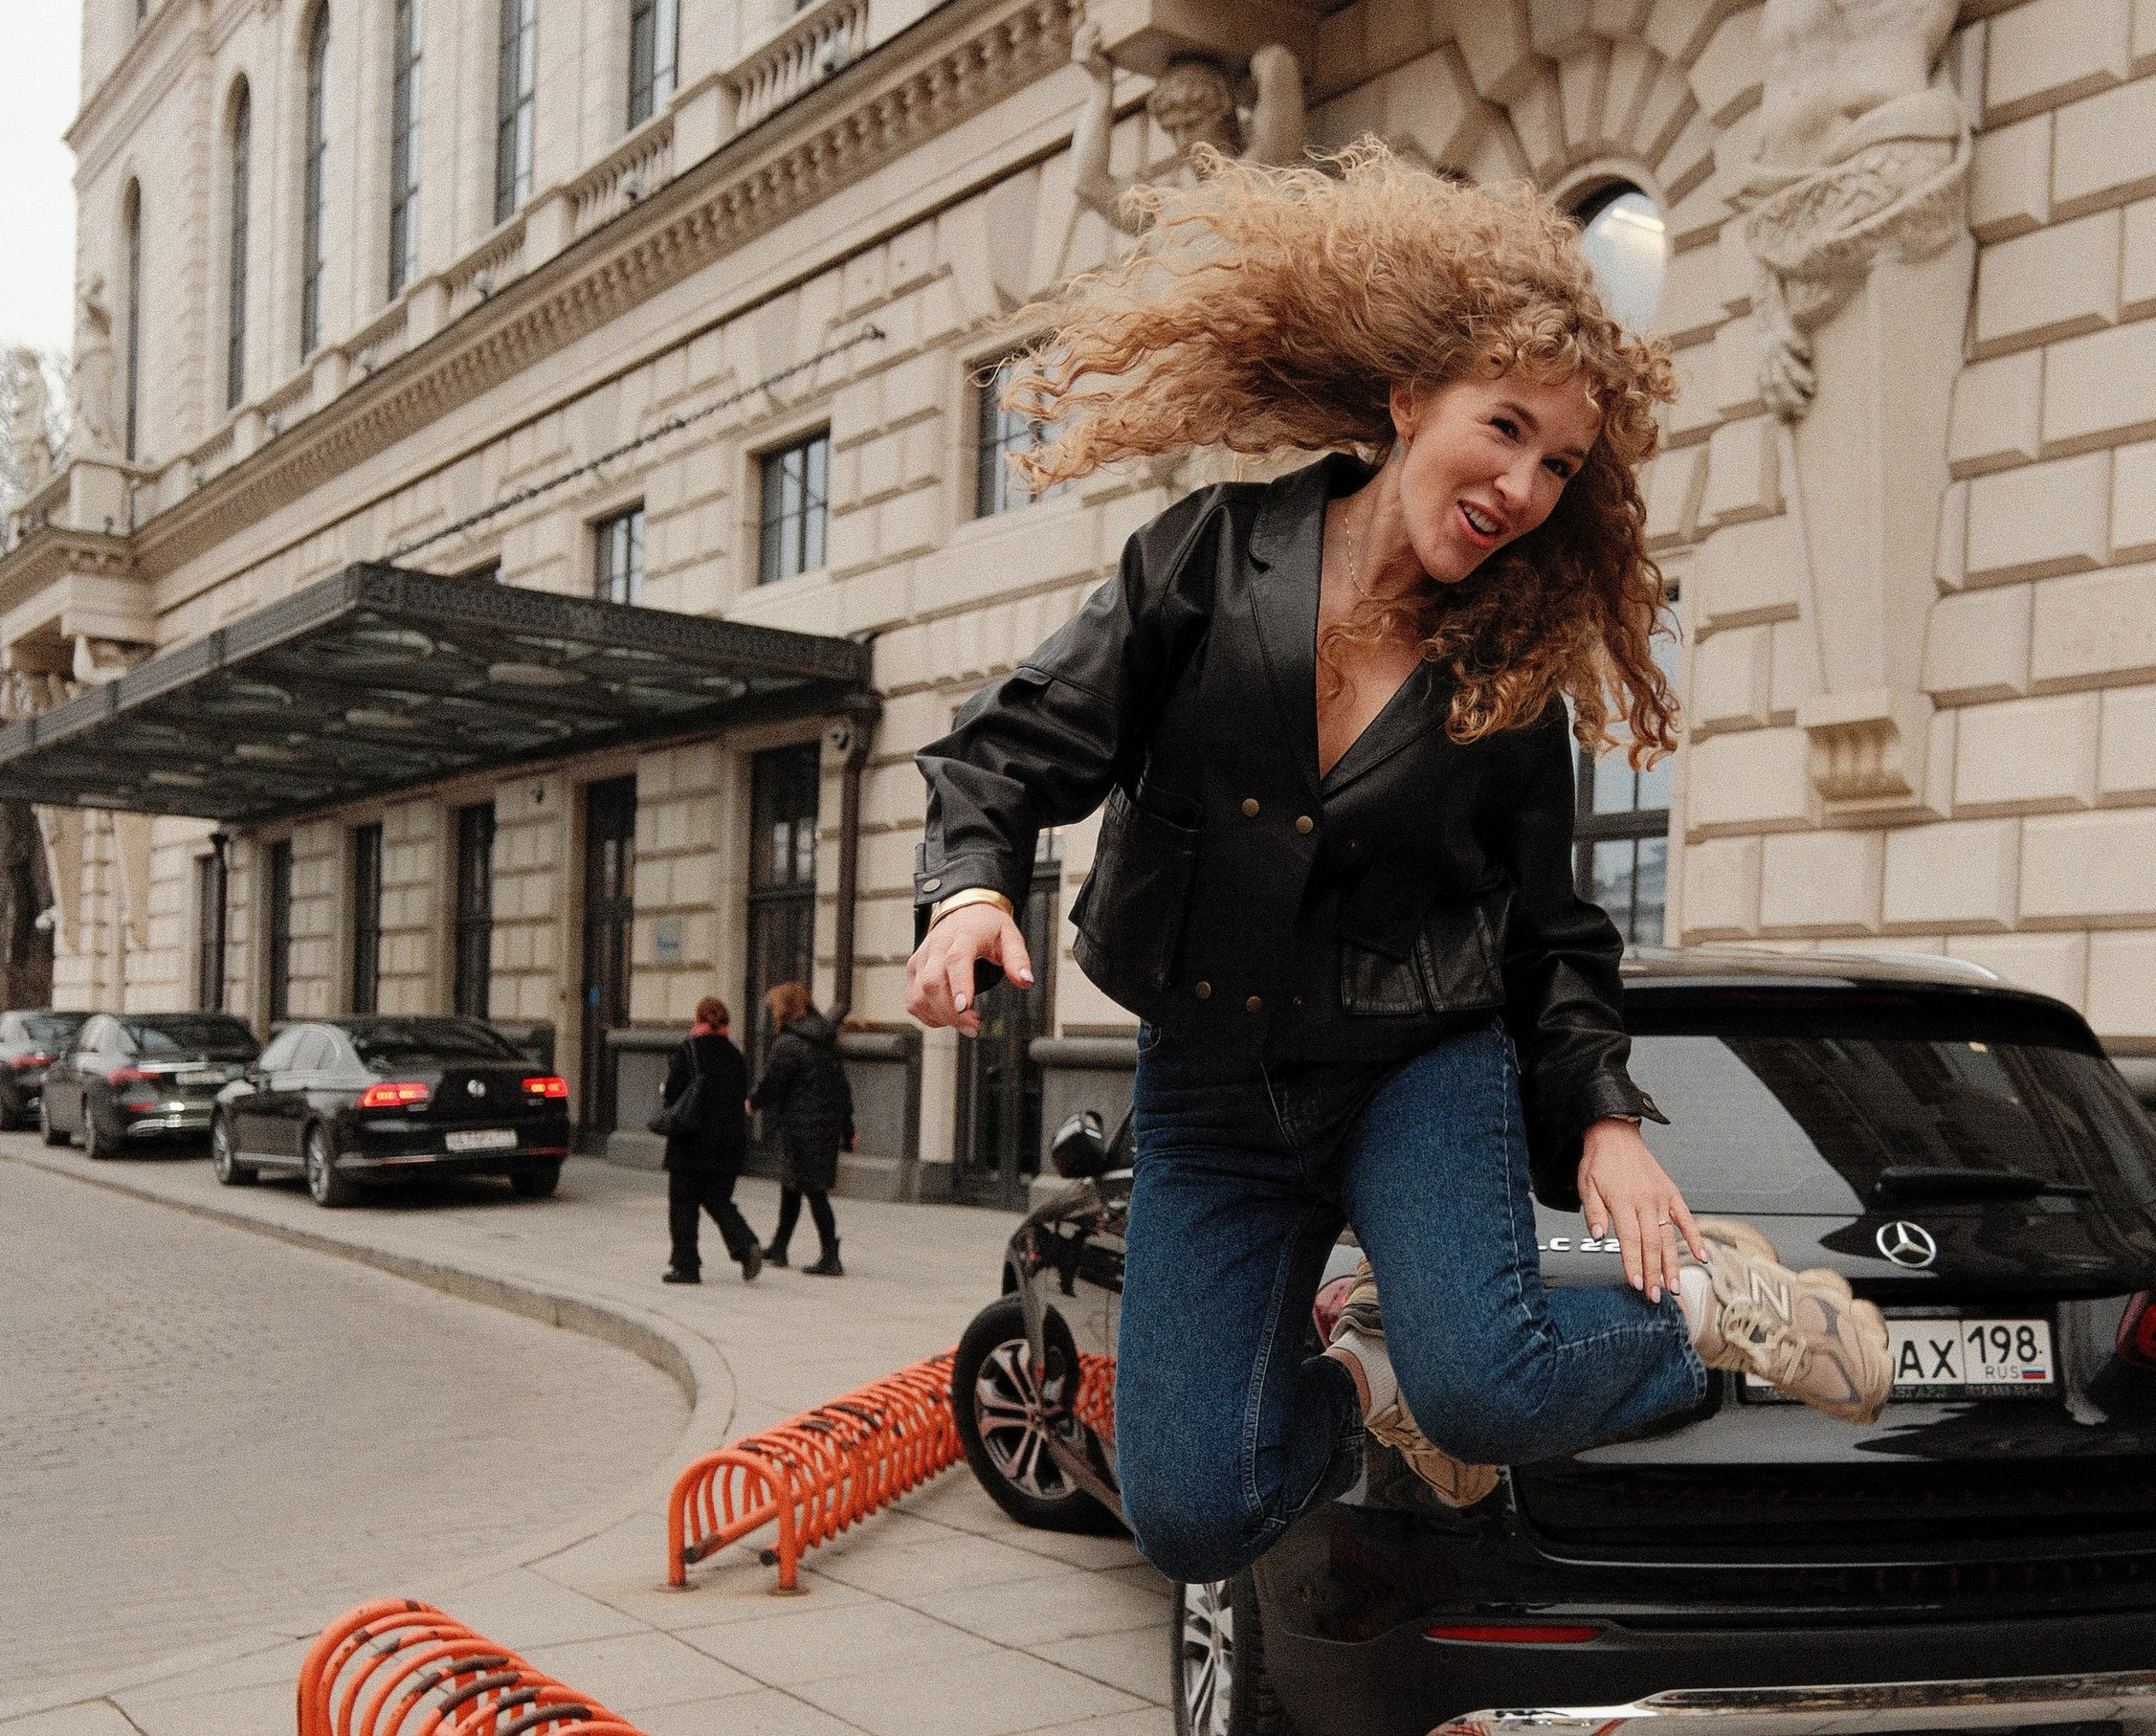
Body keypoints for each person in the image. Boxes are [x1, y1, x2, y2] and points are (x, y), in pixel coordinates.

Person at [905, 144, 1892, 1586]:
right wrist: (969, 889)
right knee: (1189, 1515)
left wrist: (1606, 1114)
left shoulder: (1505, 682)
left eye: (1559, 465)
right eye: (1504, 430)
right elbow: (1008, 747)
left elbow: (1553, 931)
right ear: (1409, 397)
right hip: (1213, 1090)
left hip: (1415, 1069)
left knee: (1488, 1387)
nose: (1522, 486)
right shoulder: (1208, 561)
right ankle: (1371, 1377)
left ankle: (1709, 1315)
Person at [751, 980, 857, 1275]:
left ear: (785, 1008)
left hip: (800, 1124)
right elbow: (842, 1086)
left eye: (774, 1007)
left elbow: (774, 1082)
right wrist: (847, 1126)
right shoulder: (825, 1036)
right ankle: (780, 1246)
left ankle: (830, 1256)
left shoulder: (789, 1043)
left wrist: (754, 1101)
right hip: (823, 1124)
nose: (772, 1012)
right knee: (793, 1185)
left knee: (813, 1190)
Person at [659, 996, 763, 1286]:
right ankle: (746, 1245)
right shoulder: (735, 1055)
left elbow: (672, 1097)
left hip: (691, 1141)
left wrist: (666, 1088)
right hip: (728, 1142)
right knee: (719, 1199)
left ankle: (686, 1265)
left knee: (683, 1204)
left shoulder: (688, 1050)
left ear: (699, 1019)